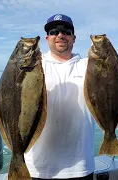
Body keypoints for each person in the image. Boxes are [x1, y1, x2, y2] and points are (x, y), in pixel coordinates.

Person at [24, 14, 95, 180]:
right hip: (38, 167)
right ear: (47, 38)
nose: (60, 35)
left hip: (81, 165)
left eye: (66, 31)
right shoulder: (33, 65)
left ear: (74, 38)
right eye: (54, 31)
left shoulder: (89, 65)